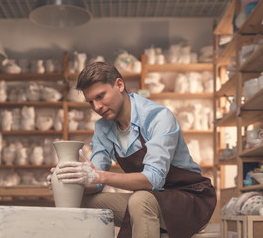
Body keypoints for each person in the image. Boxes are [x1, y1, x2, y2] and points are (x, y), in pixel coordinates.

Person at [47, 62, 216, 238]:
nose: (97, 107)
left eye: (101, 96)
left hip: (190, 198)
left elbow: (153, 180)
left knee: (140, 200)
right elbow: (95, 184)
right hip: (152, 199)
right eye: (91, 102)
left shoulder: (157, 117)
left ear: (119, 85)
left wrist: (98, 175)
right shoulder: (103, 128)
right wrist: (69, 178)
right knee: (82, 198)